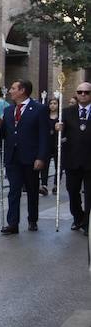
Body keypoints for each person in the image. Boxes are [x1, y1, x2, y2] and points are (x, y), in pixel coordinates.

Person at [0, 79, 49, 233]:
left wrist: (41, 157)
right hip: (13, 157)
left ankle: (32, 219)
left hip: (31, 157)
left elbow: (44, 136)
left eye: (13, 88)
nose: (10, 91)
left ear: (22, 90)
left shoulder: (39, 109)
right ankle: (13, 223)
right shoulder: (8, 110)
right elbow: (6, 134)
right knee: (14, 191)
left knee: (32, 190)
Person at [56, 82, 91, 234]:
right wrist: (58, 129)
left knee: (90, 194)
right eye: (80, 92)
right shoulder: (66, 112)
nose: (83, 94)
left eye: (87, 92)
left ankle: (87, 223)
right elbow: (59, 136)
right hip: (72, 159)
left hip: (90, 161)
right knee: (72, 191)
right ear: (76, 94)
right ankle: (78, 218)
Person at [41, 96, 62, 196]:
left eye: (55, 103)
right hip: (47, 143)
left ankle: (56, 185)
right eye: (51, 103)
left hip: (57, 143)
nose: (53, 105)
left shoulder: (61, 117)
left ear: (58, 105)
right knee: (45, 164)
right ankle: (44, 185)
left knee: (59, 165)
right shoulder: (45, 117)